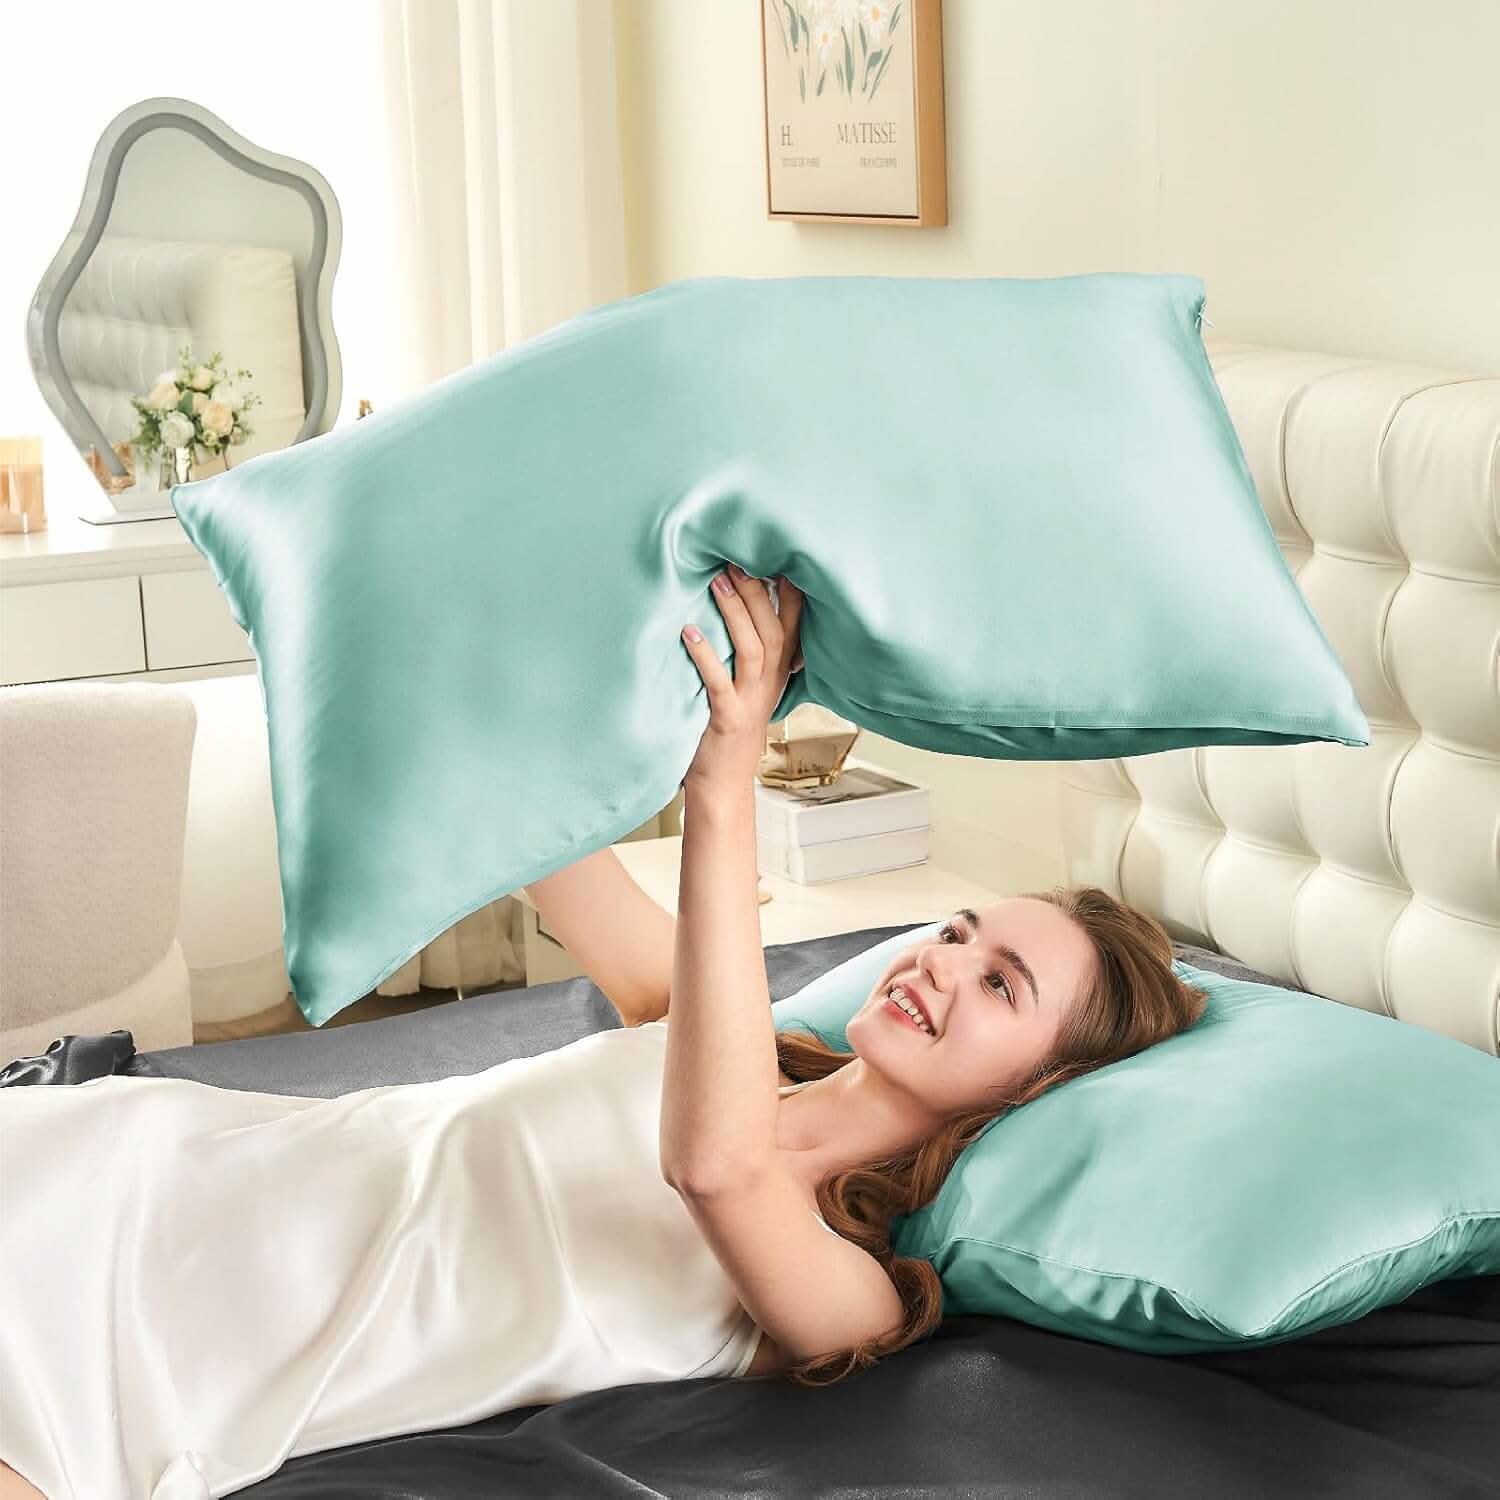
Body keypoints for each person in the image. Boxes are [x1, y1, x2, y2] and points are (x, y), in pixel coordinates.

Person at [0, 564, 1207, 1500]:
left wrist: (725, 786)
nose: (942, 967)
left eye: (1001, 986)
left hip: (222, 1356)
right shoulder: (708, 1027)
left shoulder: (861, 1296)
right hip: (155, 1177)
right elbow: (537, 849)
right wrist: (448, 612)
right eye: (956, 931)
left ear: (1041, 1088)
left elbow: (714, 1166)